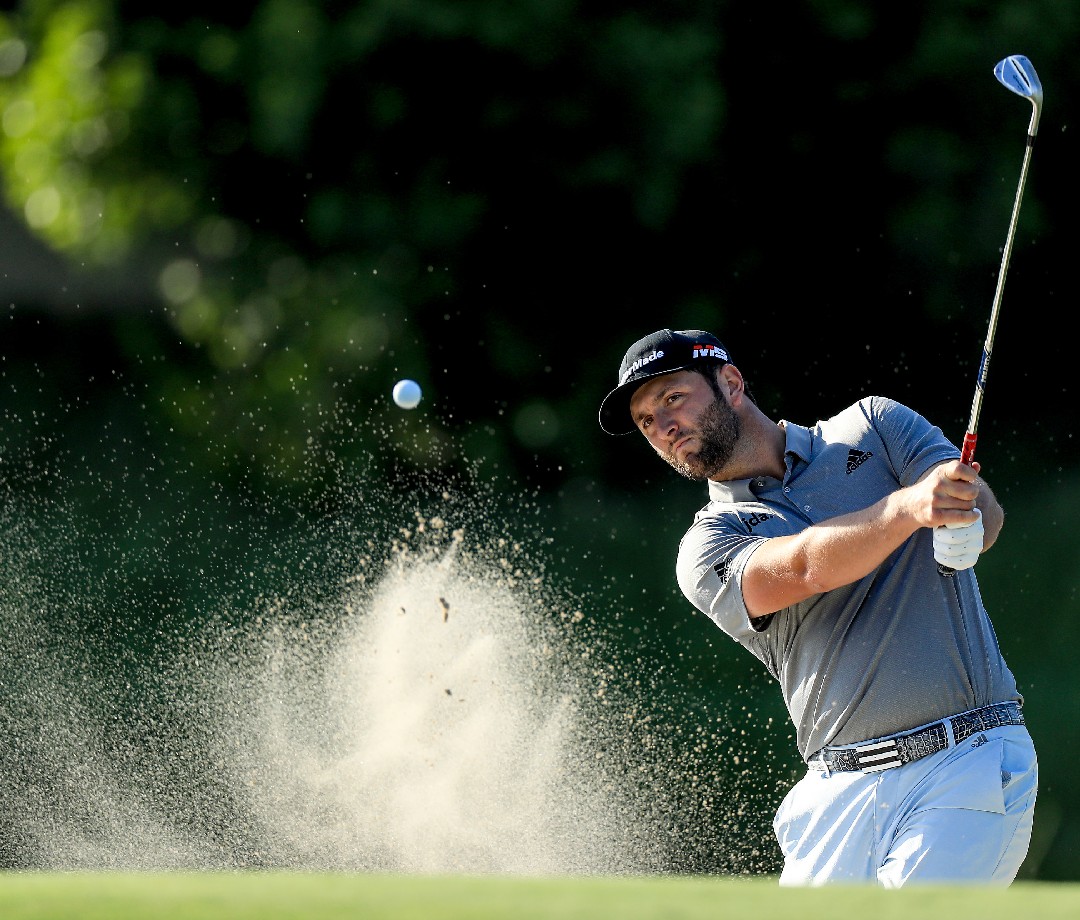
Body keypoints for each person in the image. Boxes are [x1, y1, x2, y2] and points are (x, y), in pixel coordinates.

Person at [597, 328, 1038, 887]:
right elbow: (805, 567)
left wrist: (969, 518)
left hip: (966, 760)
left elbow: (984, 511)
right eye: (645, 422)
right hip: (838, 792)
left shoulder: (875, 426)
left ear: (731, 383)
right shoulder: (708, 544)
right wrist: (908, 509)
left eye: (672, 399)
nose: (663, 427)